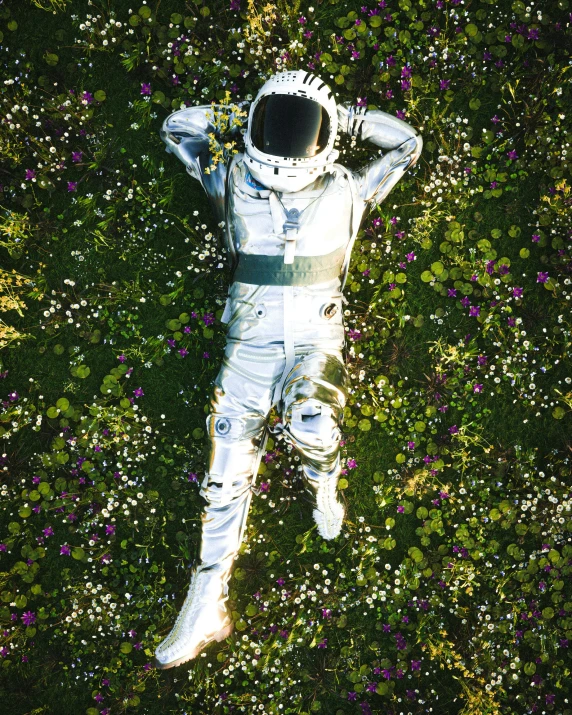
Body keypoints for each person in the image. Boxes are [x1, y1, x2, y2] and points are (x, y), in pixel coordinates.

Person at [154, 70, 423, 669]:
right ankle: (207, 601)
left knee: (312, 416)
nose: (285, 145)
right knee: (223, 473)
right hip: (247, 348)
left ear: (325, 139)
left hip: (313, 340)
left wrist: (348, 118)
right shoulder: (229, 182)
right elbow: (177, 128)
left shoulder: (348, 189)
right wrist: (239, 112)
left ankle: (324, 488)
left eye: (298, 129)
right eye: (273, 125)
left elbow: (406, 144)